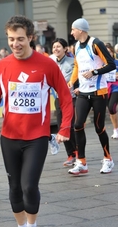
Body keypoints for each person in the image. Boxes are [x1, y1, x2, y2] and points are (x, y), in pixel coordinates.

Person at [0, 15, 73, 227]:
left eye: (20, 39)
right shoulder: (2, 66)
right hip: (9, 137)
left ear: (31, 38)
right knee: (14, 187)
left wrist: (64, 129)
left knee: (28, 186)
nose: (15, 44)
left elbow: (65, 98)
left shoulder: (47, 65)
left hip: (36, 137)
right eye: (11, 39)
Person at [68, 18, 116, 175]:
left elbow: (111, 64)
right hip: (83, 93)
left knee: (99, 127)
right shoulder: (76, 46)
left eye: (73, 29)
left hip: (99, 93)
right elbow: (77, 66)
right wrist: (71, 81)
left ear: (80, 30)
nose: (71, 32)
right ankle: (81, 162)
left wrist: (94, 72)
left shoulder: (95, 43)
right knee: (77, 125)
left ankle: (108, 159)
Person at [50, 38, 77, 166]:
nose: (56, 49)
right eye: (54, 47)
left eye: (58, 46)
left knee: (72, 126)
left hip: (73, 98)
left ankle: (78, 153)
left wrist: (77, 88)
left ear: (65, 49)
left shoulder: (73, 62)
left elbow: (79, 77)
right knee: (62, 127)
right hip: (58, 99)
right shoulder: (50, 64)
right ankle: (70, 154)